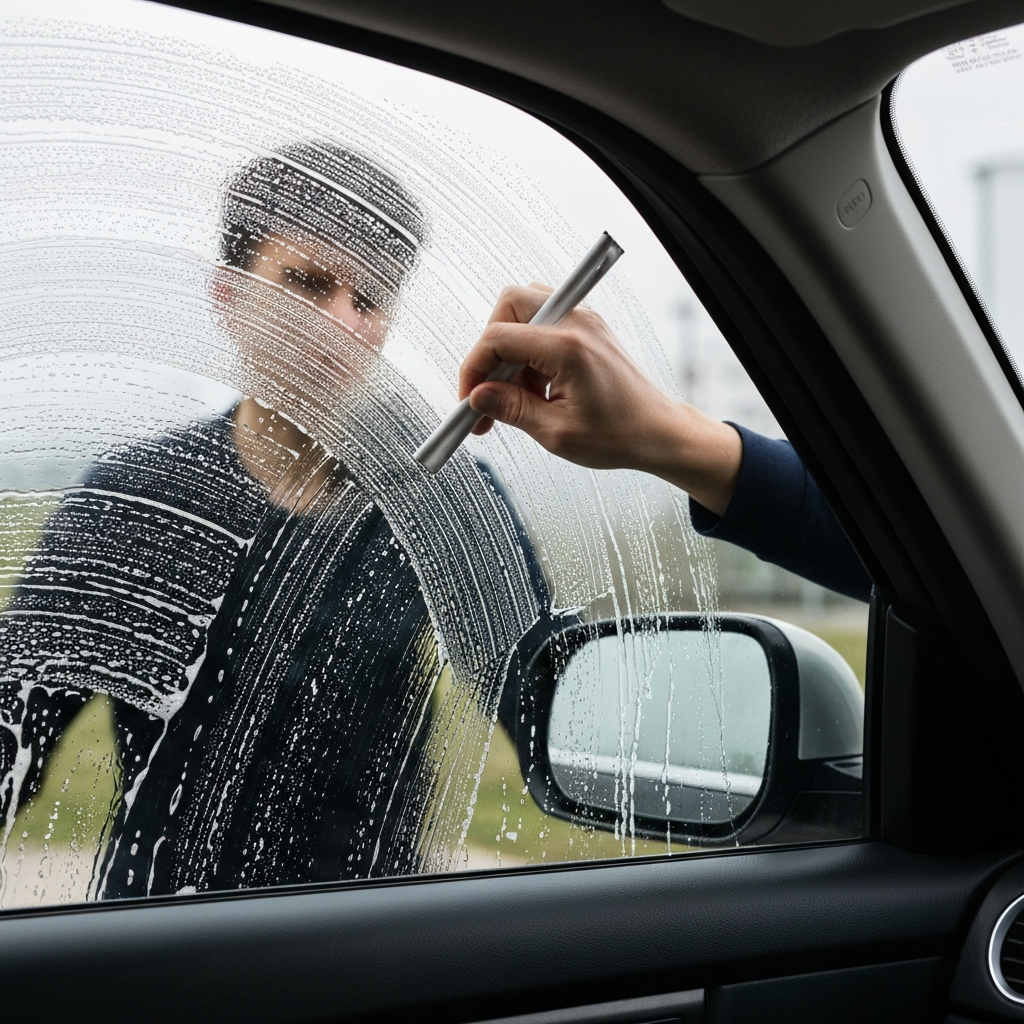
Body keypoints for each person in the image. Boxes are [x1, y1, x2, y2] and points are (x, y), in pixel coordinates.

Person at [0, 143, 543, 898]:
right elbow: (11, 747)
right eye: (306, 283)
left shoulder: (442, 502)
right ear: (228, 295)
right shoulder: (136, 501)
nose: (341, 325)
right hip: (162, 952)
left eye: (370, 299)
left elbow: (549, 711)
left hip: (381, 951)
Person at [458, 283, 872, 603]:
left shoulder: (458, 499)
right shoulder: (455, 497)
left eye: (392, 290)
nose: (387, 320)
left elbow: (537, 671)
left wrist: (666, 430)